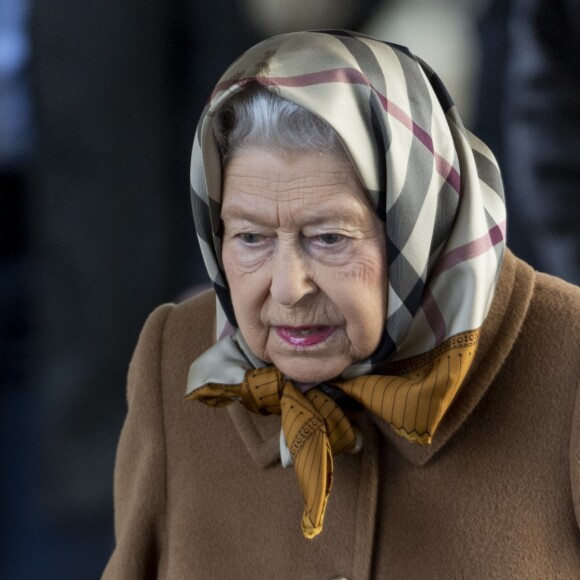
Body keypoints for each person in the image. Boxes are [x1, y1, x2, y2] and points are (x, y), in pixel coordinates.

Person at [103, 30, 580, 578]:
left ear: (418, 224)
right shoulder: (177, 359)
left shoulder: (567, 360)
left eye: (328, 238)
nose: (287, 288)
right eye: (250, 238)